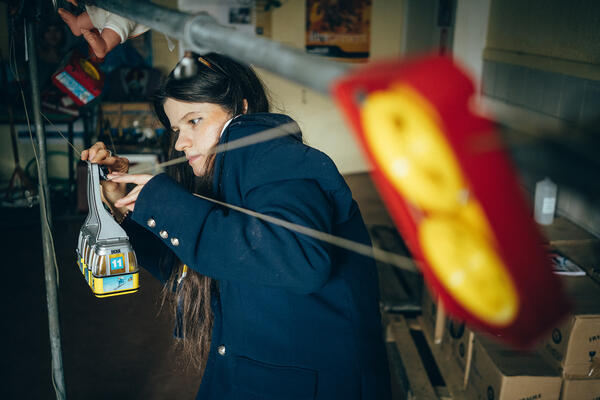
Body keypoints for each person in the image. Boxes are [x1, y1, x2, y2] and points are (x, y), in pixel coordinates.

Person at [81, 52, 391, 399]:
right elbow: (191, 267)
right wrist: (127, 209)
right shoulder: (229, 177)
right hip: (256, 376)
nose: (181, 142)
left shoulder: (271, 153)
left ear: (241, 110)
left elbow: (301, 259)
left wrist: (162, 202)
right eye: (176, 129)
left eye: (194, 121)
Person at [58, 0, 148, 59]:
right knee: (94, 14)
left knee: (119, 20)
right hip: (103, 8)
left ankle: (104, 45)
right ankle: (78, 24)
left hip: (129, 10)